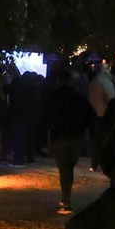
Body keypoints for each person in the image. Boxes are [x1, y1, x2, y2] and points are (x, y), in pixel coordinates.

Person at [41, 70, 95, 213]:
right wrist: (81, 128)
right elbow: (91, 115)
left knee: (64, 169)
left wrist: (43, 140)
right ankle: (66, 199)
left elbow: (44, 119)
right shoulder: (79, 98)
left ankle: (66, 201)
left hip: (59, 137)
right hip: (75, 137)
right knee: (68, 168)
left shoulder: (52, 98)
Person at [87, 63, 115, 171]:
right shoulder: (105, 82)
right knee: (103, 140)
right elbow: (111, 98)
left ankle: (94, 163)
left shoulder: (93, 81)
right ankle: (101, 163)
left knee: (95, 139)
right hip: (103, 114)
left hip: (93, 113)